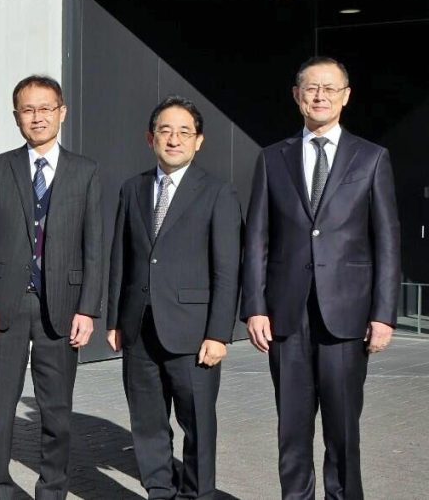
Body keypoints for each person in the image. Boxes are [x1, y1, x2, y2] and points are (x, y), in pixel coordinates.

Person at [241, 56, 400, 499]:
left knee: (343, 430)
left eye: (330, 88)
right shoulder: (272, 158)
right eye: (311, 88)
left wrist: (384, 314)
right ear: (297, 95)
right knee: (291, 431)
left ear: (346, 97)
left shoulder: (371, 158)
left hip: (347, 317)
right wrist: (255, 307)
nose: (320, 96)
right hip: (286, 317)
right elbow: (257, 238)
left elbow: (387, 241)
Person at [0, 74, 103, 499]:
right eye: (27, 110)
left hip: (62, 307)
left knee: (57, 412)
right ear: (16, 117)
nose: (37, 117)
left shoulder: (85, 171)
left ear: (62, 112)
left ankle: (52, 489)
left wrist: (88, 309)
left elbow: (94, 247)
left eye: (45, 108)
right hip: (4, 305)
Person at [106, 95, 241, 500]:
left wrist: (219, 334)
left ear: (198, 141)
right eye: (165, 131)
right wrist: (114, 320)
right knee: (147, 423)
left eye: (184, 132)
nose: (174, 139)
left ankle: (198, 494)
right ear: (150, 138)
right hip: (138, 329)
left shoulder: (217, 193)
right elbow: (120, 258)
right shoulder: (133, 189)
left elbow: (227, 270)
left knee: (197, 423)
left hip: (193, 333)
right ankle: (159, 491)